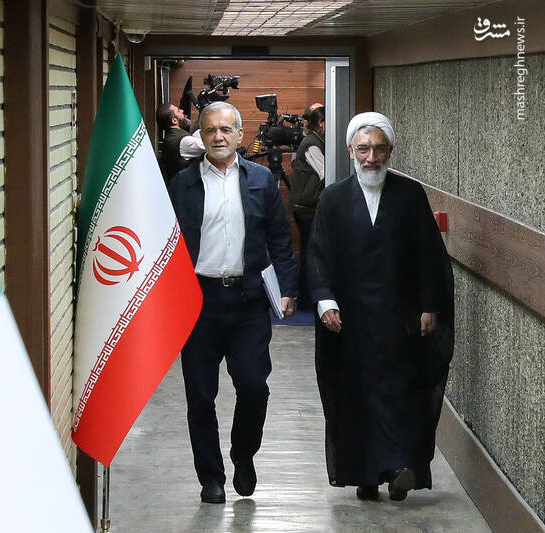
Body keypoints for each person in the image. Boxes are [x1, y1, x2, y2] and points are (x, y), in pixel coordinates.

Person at [307, 112, 454, 502]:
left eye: (379, 149)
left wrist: (429, 305)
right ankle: (365, 474)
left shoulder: (410, 195)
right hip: (350, 321)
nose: (371, 158)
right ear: (350, 151)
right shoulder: (333, 198)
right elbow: (318, 254)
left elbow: (428, 254)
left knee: (401, 394)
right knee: (356, 397)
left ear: (390, 151)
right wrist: (324, 300)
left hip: (400, 319)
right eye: (363, 149)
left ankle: (399, 468)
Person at [169, 101, 299, 504]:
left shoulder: (261, 180)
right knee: (200, 397)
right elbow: (167, 242)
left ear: (240, 135)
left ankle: (244, 453)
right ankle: (211, 478)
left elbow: (280, 238)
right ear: (201, 136)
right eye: (211, 130)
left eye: (226, 130)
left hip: (248, 302)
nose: (219, 137)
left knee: (254, 387)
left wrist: (288, 288)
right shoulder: (183, 183)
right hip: (198, 303)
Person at [289, 106, 325, 311]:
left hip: (307, 204)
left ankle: (306, 299)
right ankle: (305, 300)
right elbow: (325, 173)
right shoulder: (312, 144)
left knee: (309, 251)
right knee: (310, 252)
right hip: (307, 206)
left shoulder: (314, 140)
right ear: (321, 123)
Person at [157, 102, 205, 182]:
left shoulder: (171, 137)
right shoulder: (183, 141)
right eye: (178, 111)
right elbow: (211, 147)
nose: (182, 111)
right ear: (174, 120)